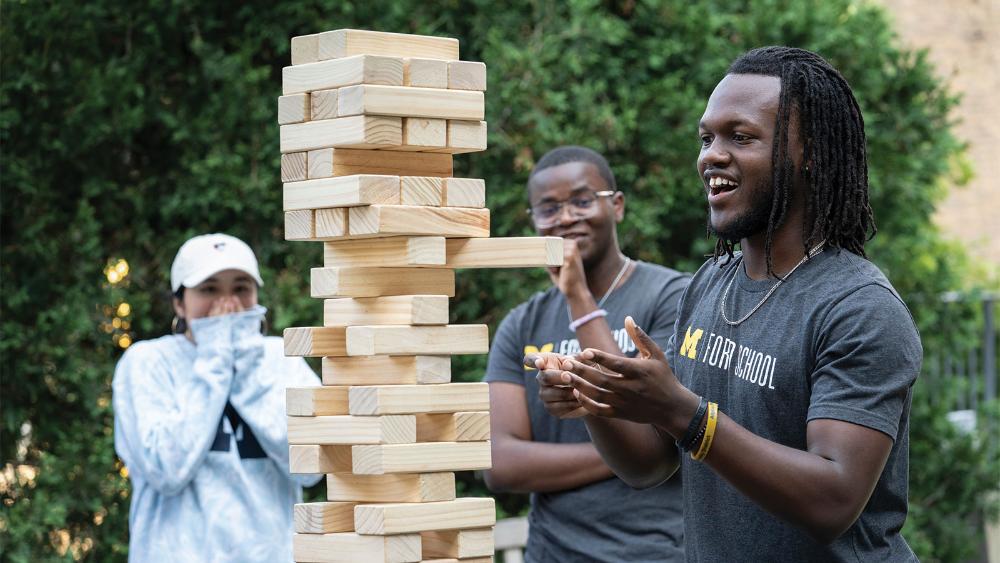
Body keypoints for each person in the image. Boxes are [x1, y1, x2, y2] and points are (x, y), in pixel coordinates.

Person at [533, 47, 923, 561]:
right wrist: (597, 400)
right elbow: (648, 465)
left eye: (741, 137)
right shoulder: (711, 283)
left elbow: (834, 500)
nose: (710, 156)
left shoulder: (858, 309)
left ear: (811, 153)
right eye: (706, 137)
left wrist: (686, 414)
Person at [484, 146, 689, 562]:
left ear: (616, 206)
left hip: (652, 551)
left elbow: (672, 428)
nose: (565, 218)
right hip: (552, 552)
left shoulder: (673, 298)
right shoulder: (522, 324)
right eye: (548, 208)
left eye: (581, 201)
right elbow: (500, 464)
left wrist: (578, 298)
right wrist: (637, 454)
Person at [113, 233, 321, 562]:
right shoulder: (147, 363)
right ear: (179, 303)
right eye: (209, 289)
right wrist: (215, 361)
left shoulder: (280, 359)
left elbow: (311, 469)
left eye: (241, 289)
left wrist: (246, 364)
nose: (228, 304)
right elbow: (166, 469)